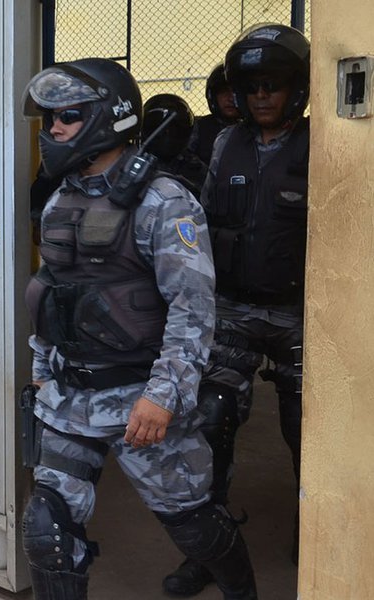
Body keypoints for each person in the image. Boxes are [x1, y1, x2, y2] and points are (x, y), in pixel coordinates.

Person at [19, 58, 257, 600]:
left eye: (68, 116)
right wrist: (41, 373)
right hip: (67, 397)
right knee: (47, 528)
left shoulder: (165, 202)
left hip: (140, 403)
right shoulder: (62, 198)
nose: (53, 128)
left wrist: (164, 396)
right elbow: (53, 294)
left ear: (108, 118)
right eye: (51, 117)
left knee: (193, 524)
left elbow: (192, 310)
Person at [161, 23, 310, 597]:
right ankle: (210, 551)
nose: (261, 97)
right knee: (211, 420)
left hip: (300, 314)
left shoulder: (321, 143)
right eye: (252, 88)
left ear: (295, 89)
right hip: (234, 311)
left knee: (306, 431)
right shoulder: (224, 144)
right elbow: (197, 225)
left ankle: (314, 531)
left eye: (273, 86)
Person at [141, 93, 208, 197]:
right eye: (162, 129)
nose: (168, 134)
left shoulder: (194, 167)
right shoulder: (138, 165)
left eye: (175, 130)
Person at [188, 64, 241, 166]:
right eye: (223, 92)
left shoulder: (255, 129)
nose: (230, 98)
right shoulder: (199, 127)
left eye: (235, 91)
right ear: (213, 96)